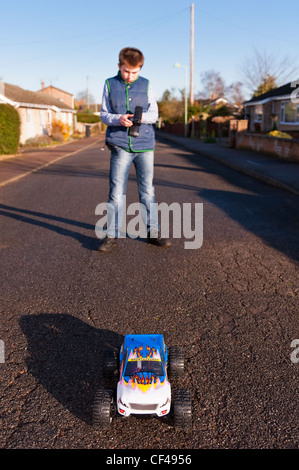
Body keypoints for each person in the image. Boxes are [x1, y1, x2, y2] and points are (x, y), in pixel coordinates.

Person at [98, 47, 172, 252]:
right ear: (119, 66)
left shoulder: (147, 84)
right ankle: (111, 235)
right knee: (116, 192)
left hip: (145, 145)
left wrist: (138, 118)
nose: (130, 76)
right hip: (121, 145)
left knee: (147, 191)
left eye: (135, 72)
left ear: (140, 69)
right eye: (126, 71)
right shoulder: (109, 84)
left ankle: (153, 232)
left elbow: (154, 113)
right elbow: (104, 114)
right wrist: (118, 119)